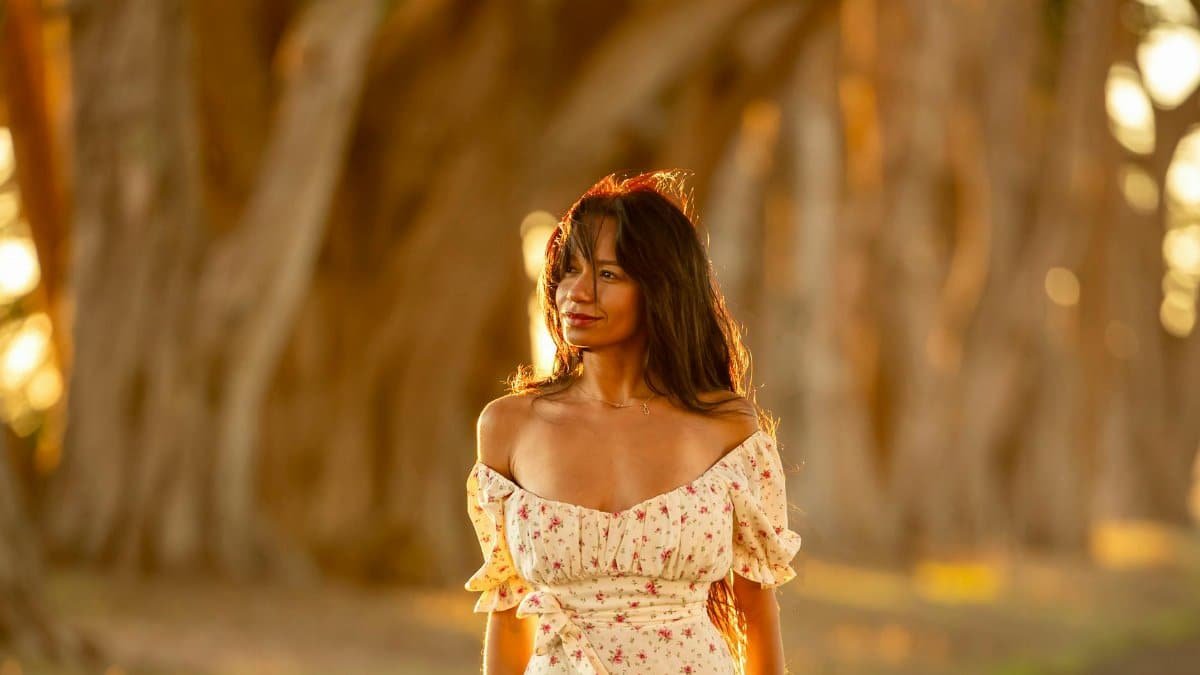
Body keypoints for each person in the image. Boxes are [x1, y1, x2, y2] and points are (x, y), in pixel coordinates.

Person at [465, 170, 803, 674]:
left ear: (660, 288)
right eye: (568, 269)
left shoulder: (728, 429)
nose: (575, 293)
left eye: (607, 275)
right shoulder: (509, 426)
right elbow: (510, 613)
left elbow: (756, 610)